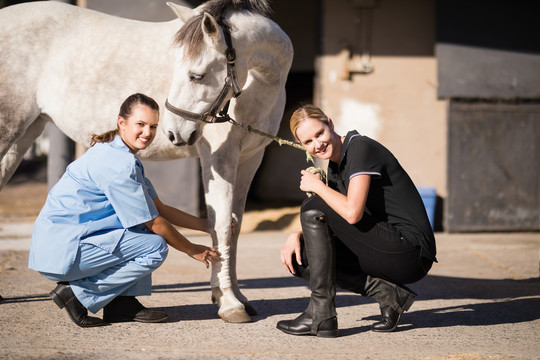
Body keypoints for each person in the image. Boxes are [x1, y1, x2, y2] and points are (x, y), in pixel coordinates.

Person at [29, 93, 221, 328]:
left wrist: (208, 225)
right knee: (154, 246)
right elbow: (156, 223)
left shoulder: (118, 154)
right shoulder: (119, 164)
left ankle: (121, 306)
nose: (147, 132)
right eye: (140, 124)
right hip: (63, 251)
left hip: (63, 246)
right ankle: (77, 294)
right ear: (122, 123)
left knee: (142, 231)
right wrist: (192, 249)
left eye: (152, 126)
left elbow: (159, 208)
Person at [277, 104, 437, 338]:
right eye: (308, 142)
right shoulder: (335, 166)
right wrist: (296, 236)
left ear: (330, 124)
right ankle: (389, 295)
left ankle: (321, 316)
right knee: (300, 257)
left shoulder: (360, 149)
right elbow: (333, 219)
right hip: (384, 245)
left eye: (319, 134)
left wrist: (318, 187)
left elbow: (352, 213)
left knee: (313, 205)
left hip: (411, 252)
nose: (317, 144)